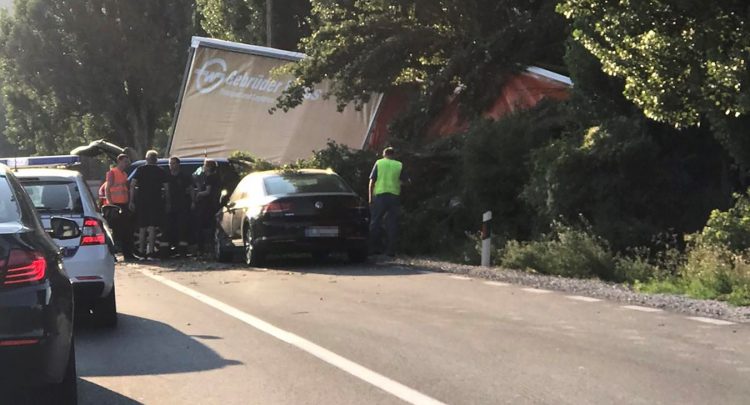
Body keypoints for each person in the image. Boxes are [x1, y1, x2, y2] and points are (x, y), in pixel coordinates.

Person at [130, 150, 169, 259]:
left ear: (146, 159)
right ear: (156, 160)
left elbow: (132, 185)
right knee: (152, 227)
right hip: (155, 202)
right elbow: (166, 188)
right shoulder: (160, 171)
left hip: (142, 202)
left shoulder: (140, 169)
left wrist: (131, 201)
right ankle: (150, 252)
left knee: (142, 227)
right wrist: (167, 200)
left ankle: (141, 252)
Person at [368, 147, 407, 257]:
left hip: (380, 196)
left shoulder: (379, 163)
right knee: (392, 224)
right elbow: (406, 181)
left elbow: (371, 181)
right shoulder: (399, 165)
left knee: (375, 222)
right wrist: (398, 184)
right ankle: (391, 251)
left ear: (384, 154)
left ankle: (373, 249)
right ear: (394, 155)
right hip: (394, 196)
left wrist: (370, 198)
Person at [104, 154, 135, 261]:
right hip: (115, 205)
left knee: (126, 230)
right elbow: (107, 189)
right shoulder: (113, 173)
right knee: (116, 232)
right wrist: (111, 204)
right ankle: (113, 255)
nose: (127, 164)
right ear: (119, 161)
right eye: (125, 161)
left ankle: (128, 254)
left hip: (124, 204)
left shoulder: (124, 174)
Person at [165, 157, 193, 256]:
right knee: (170, 228)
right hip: (170, 205)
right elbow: (166, 190)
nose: (171, 166)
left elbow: (191, 189)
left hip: (183, 205)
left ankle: (182, 251)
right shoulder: (167, 176)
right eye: (170, 164)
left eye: (173, 163)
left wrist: (193, 201)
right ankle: (168, 251)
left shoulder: (184, 176)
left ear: (178, 164)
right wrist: (168, 203)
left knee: (182, 228)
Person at [193, 159, 220, 252]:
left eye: (205, 165)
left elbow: (208, 191)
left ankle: (202, 248)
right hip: (214, 204)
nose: (203, 167)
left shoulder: (209, 178)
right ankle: (211, 247)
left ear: (209, 167)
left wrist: (199, 194)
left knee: (200, 225)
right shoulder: (216, 177)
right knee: (212, 227)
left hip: (208, 205)